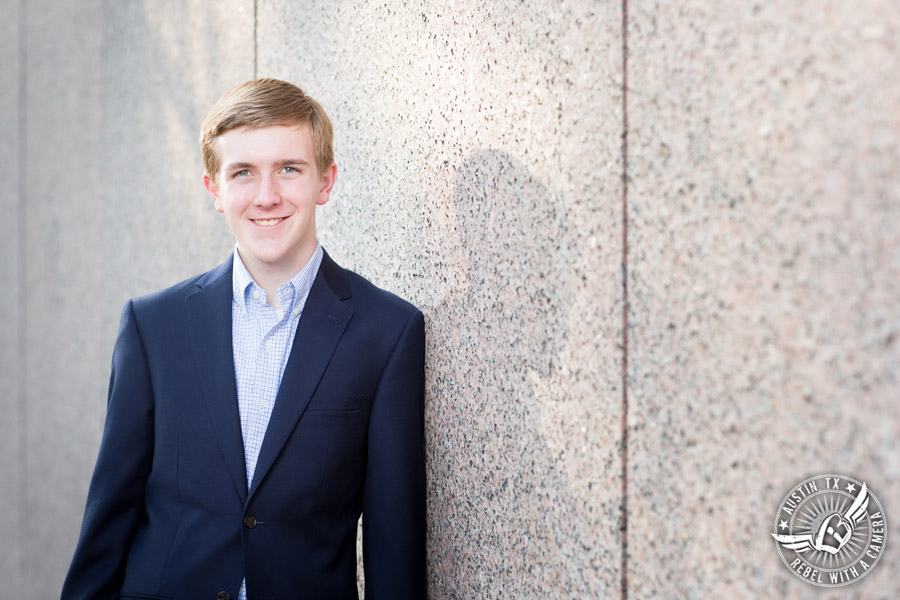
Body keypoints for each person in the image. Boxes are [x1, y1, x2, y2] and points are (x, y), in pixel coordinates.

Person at [61, 78, 426, 600]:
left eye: (289, 169)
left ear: (326, 181)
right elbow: (109, 519)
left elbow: (396, 546)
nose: (267, 196)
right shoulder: (153, 327)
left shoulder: (386, 333)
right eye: (243, 173)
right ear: (215, 190)